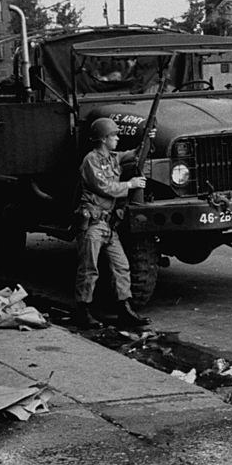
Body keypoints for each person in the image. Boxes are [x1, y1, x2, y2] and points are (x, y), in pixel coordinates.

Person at [73, 117, 148, 329]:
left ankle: (124, 309)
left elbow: (135, 153)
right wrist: (130, 184)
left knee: (121, 266)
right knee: (89, 269)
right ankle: (83, 310)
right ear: (104, 139)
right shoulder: (91, 160)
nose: (117, 138)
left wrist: (147, 138)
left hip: (107, 224)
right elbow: (104, 186)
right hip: (93, 223)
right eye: (113, 135)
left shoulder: (112, 157)